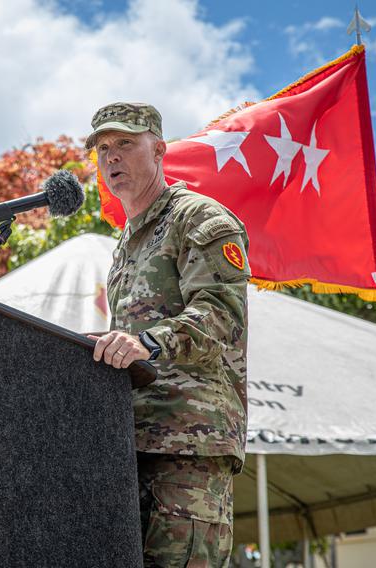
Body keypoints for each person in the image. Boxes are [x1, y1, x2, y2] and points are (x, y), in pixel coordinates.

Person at [86, 102, 250, 568]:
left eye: (124, 144)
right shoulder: (126, 242)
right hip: (128, 442)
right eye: (102, 148)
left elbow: (220, 314)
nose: (111, 157)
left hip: (188, 445)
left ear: (158, 150)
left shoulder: (198, 218)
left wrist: (147, 343)